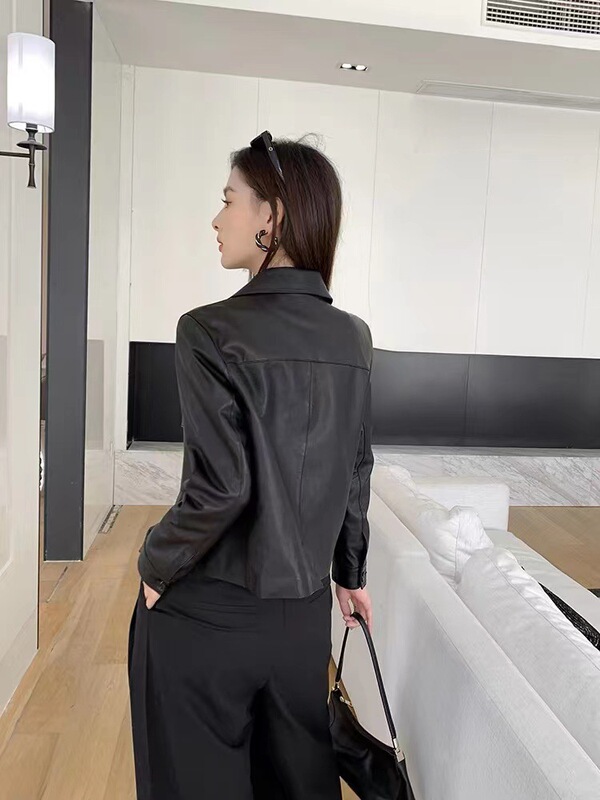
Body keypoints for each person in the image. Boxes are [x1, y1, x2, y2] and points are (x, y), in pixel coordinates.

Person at [127, 130, 374, 800]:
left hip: (209, 615)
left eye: (229, 199)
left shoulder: (206, 330)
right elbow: (356, 469)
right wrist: (350, 576)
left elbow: (222, 487)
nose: (217, 218)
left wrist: (154, 563)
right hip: (302, 621)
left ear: (273, 215)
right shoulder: (354, 338)